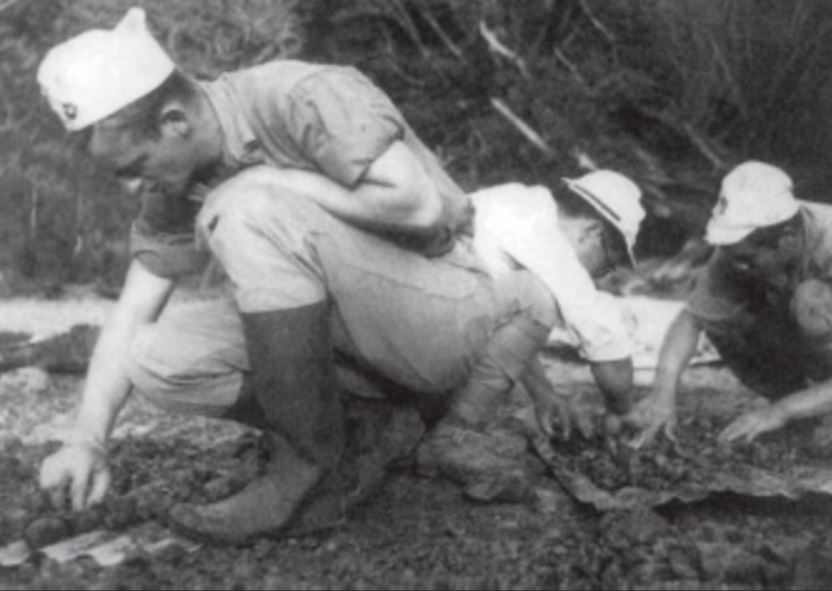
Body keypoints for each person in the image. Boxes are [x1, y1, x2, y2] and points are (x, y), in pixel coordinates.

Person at [35, 8, 642, 545]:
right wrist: (88, 438)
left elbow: (419, 206)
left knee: (247, 208)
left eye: (134, 167)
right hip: (350, 329)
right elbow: (132, 310)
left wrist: (273, 180)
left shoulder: (300, 94)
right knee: (153, 356)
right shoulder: (174, 180)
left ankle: (307, 471)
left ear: (174, 121)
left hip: (439, 302)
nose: (132, 188)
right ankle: (366, 427)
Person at [625, 160, 832, 447]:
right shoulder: (738, 251)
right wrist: (662, 394)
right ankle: (803, 416)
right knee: (723, 323)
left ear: (787, 237)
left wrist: (781, 412)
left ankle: (801, 408)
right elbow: (692, 319)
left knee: (812, 302)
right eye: (734, 256)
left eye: (747, 260)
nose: (738, 266)